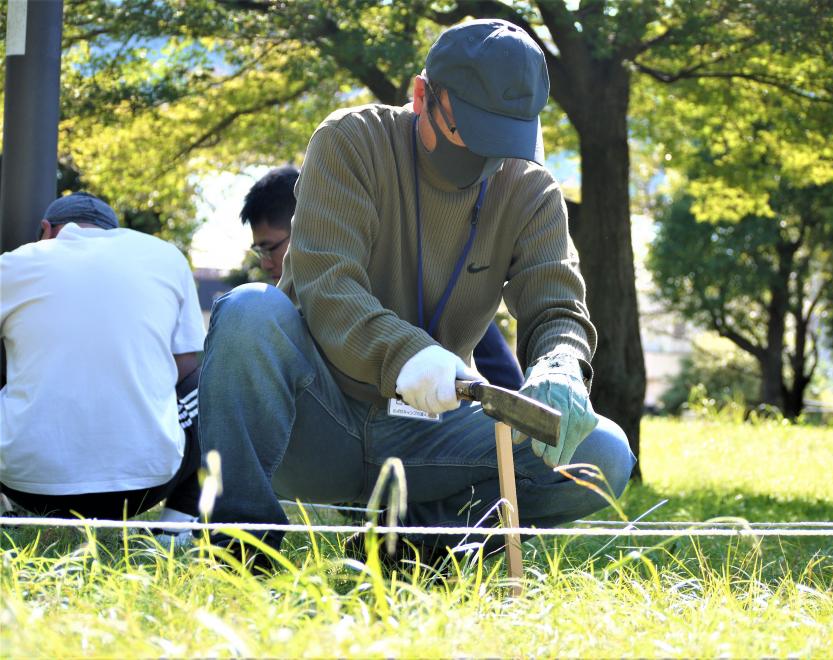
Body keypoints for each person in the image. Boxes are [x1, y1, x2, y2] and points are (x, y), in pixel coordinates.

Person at [200, 18, 635, 560]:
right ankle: (241, 548)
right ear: (422, 94)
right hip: (316, 416)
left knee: (604, 455)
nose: (483, 160)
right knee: (247, 311)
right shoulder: (350, 142)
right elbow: (327, 285)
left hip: (432, 433)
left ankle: (420, 545)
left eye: (503, 141)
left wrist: (560, 364)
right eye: (468, 133)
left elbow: (557, 306)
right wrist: (407, 355)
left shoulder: (530, 189)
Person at [0, 192, 206, 528]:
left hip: (26, 485)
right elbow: (185, 367)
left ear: (45, 229)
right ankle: (176, 525)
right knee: (207, 384)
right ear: (110, 231)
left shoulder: (13, 263)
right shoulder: (165, 257)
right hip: (143, 489)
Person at [240, 165, 523, 389]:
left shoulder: (413, 278)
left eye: (269, 247)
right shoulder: (283, 312)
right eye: (259, 251)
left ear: (307, 224)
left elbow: (506, 381)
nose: (265, 264)